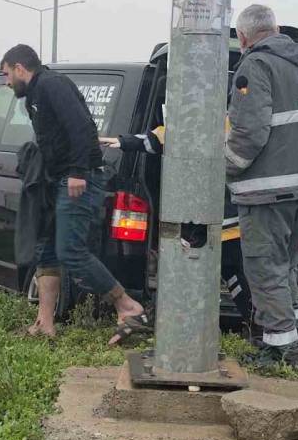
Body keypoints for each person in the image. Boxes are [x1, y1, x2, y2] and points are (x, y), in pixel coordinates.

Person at [0, 44, 149, 344]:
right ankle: (45, 322)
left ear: (19, 68)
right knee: (46, 249)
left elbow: (82, 127)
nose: (6, 82)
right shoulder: (34, 95)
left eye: (6, 75)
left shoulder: (52, 85)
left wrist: (78, 172)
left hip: (79, 178)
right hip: (55, 179)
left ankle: (128, 306)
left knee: (70, 250)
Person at [224, 4, 298, 368]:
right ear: (277, 28)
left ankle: (282, 349)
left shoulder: (255, 66)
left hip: (266, 191)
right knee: (284, 265)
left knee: (265, 269)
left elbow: (249, 132)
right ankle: (292, 330)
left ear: (243, 37)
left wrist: (225, 169)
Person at [100, 122, 257, 336]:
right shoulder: (221, 120)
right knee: (225, 273)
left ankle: (255, 326)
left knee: (224, 272)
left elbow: (162, 137)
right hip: (217, 214)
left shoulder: (203, 120)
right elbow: (161, 137)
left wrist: (124, 141)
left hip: (215, 213)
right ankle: (256, 327)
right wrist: (124, 141)